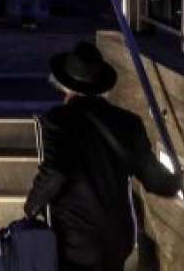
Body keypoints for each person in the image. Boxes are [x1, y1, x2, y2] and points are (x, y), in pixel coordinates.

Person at [25, 42, 182, 271]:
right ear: (101, 87)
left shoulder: (58, 120)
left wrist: (31, 208)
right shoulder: (129, 122)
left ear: (64, 86)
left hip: (77, 239)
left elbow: (55, 172)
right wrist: (177, 178)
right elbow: (156, 180)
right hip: (119, 238)